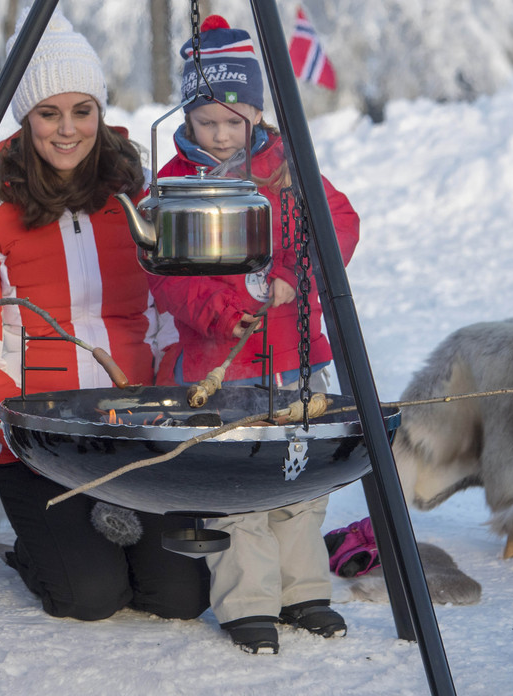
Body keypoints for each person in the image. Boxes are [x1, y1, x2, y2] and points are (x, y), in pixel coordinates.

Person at [0, 8, 210, 622]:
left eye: (81, 111)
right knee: (90, 598)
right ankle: (36, 553)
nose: (67, 130)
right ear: (25, 117)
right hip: (40, 442)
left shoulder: (134, 198)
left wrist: (168, 410)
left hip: (134, 431)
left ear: (99, 111)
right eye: (48, 113)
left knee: (178, 597)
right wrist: (28, 432)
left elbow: (169, 320)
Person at [147, 16, 360, 654]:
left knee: (299, 476)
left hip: (298, 359)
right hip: (223, 365)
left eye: (233, 120)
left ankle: (303, 592)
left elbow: (340, 221)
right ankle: (248, 602)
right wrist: (228, 306)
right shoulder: (174, 184)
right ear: (187, 116)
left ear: (256, 114)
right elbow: (167, 278)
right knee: (235, 486)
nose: (219, 133)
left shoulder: (288, 168)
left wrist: (304, 269)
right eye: (207, 120)